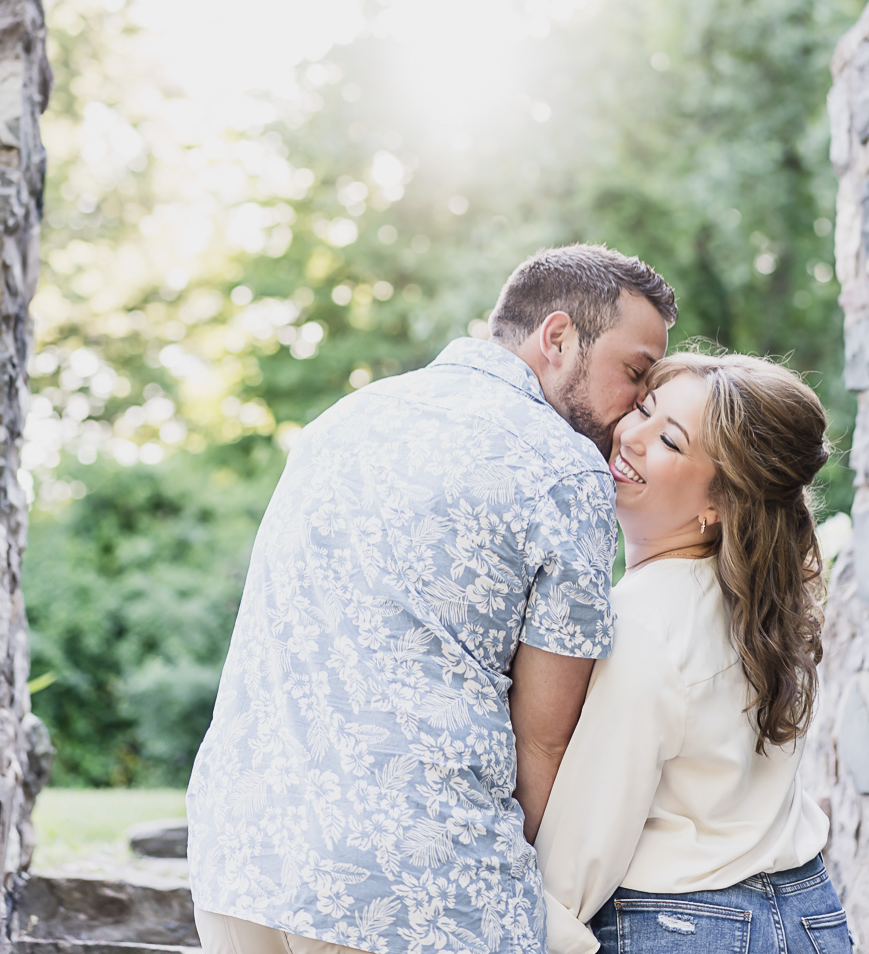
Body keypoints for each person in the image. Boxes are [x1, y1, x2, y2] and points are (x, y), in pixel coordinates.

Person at [187, 244, 676, 954]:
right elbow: (544, 738)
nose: (636, 406)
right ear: (559, 337)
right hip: (414, 892)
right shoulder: (564, 470)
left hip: (244, 857)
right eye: (634, 373)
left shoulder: (343, 420)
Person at [535, 352, 854, 954]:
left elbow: (579, 854)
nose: (630, 436)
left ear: (720, 505)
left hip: (687, 926)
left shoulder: (644, 621)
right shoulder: (764, 601)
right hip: (813, 917)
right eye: (645, 410)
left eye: (671, 443)